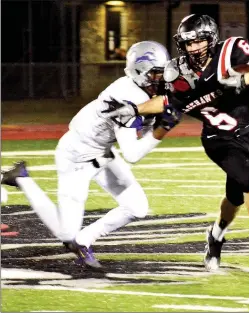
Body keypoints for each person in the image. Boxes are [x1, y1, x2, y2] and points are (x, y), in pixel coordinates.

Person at [109, 14, 249, 271]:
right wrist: (134, 109)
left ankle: (215, 237)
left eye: (198, 41)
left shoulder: (230, 51)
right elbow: (165, 103)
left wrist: (243, 79)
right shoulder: (177, 72)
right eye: (188, 43)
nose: (193, 47)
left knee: (236, 197)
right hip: (217, 139)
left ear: (211, 38)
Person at [1, 41, 181, 268]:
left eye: (162, 72)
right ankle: (21, 177)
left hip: (102, 153)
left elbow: (168, 101)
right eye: (155, 73)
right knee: (66, 235)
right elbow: (132, 154)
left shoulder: (144, 91)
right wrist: (162, 130)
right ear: (140, 72)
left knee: (137, 207)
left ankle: (85, 240)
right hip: (76, 155)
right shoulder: (126, 98)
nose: (161, 78)